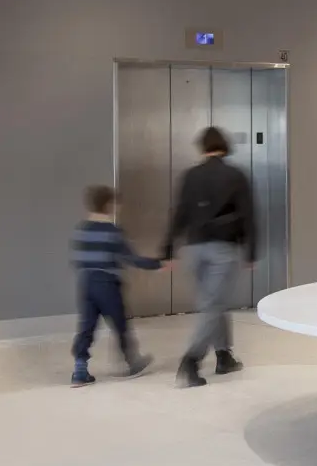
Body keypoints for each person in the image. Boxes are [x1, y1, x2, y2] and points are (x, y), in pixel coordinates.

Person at [164, 125, 257, 388]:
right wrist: (251, 250)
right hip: (223, 249)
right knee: (213, 305)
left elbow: (179, 213)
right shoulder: (236, 175)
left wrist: (167, 248)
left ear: (203, 147)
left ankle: (223, 356)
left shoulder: (190, 175)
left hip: (194, 249)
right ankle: (191, 361)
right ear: (224, 146)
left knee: (214, 302)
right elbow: (249, 215)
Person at [71, 184, 161, 386]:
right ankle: (132, 362)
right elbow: (131, 258)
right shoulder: (112, 231)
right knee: (120, 324)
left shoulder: (81, 230)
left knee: (86, 326)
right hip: (106, 284)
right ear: (109, 204)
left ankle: (79, 370)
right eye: (116, 203)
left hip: (85, 283)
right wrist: (157, 264)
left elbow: (77, 260)